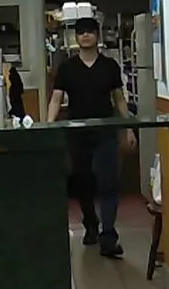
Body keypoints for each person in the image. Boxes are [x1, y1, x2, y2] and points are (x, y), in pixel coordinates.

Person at [47, 15, 135, 259]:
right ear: (75, 37)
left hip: (105, 132)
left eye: (89, 31)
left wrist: (128, 128)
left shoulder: (109, 66)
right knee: (83, 183)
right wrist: (49, 126)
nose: (85, 35)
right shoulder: (67, 68)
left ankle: (108, 236)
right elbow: (56, 99)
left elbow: (119, 99)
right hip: (77, 134)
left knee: (109, 183)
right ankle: (91, 224)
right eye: (81, 32)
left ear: (97, 35)